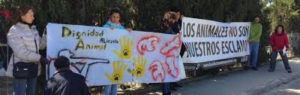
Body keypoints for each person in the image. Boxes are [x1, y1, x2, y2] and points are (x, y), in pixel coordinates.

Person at [6, 5, 47, 95]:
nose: (33, 17)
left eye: (33, 15)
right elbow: (21, 53)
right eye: (31, 15)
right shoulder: (14, 30)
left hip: (33, 68)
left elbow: (41, 46)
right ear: (22, 16)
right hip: (21, 68)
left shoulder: (33, 29)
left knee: (31, 93)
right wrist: (39, 58)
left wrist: (46, 34)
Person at [103, 8, 131, 95]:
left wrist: (128, 31)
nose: (115, 19)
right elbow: (101, 33)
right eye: (114, 17)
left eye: (117, 17)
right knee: (108, 81)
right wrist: (107, 30)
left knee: (116, 79)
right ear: (110, 17)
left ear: (119, 18)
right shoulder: (106, 26)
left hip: (117, 57)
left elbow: (126, 35)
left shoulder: (121, 27)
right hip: (108, 57)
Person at [169, 7, 183, 91]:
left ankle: (175, 83)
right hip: (172, 48)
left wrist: (181, 20)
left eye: (179, 14)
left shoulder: (178, 22)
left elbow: (180, 29)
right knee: (171, 66)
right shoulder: (172, 23)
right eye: (177, 14)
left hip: (177, 48)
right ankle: (171, 85)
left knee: (176, 66)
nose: (178, 16)